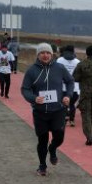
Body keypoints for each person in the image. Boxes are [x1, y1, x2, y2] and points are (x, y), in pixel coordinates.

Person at [20, 43, 74, 176]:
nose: (45, 55)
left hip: (58, 110)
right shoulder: (32, 70)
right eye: (42, 53)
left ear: (52, 54)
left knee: (59, 136)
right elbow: (25, 89)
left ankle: (53, 148)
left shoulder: (59, 68)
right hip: (40, 112)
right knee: (42, 139)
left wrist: (67, 95)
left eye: (48, 53)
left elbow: (70, 81)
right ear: (38, 55)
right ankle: (42, 165)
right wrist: (33, 98)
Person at [56, 45, 81, 128]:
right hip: (74, 88)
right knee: (72, 104)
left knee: (63, 104)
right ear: (73, 51)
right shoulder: (78, 62)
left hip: (62, 87)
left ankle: (64, 118)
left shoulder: (59, 60)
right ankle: (72, 120)